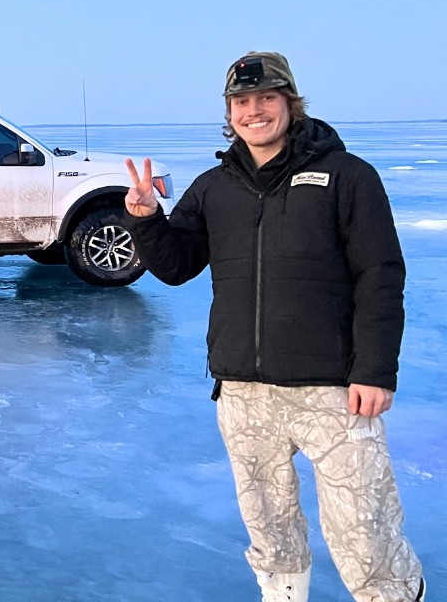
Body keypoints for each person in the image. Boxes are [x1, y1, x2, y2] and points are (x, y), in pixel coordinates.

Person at [122, 52, 424, 602]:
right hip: (243, 390)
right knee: (268, 523)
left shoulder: (347, 176)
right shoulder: (215, 186)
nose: (254, 111)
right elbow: (176, 265)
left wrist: (376, 371)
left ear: (290, 103)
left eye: (267, 98)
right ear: (229, 112)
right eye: (242, 101)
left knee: (364, 527)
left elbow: (380, 275)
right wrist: (145, 219)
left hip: (334, 389)